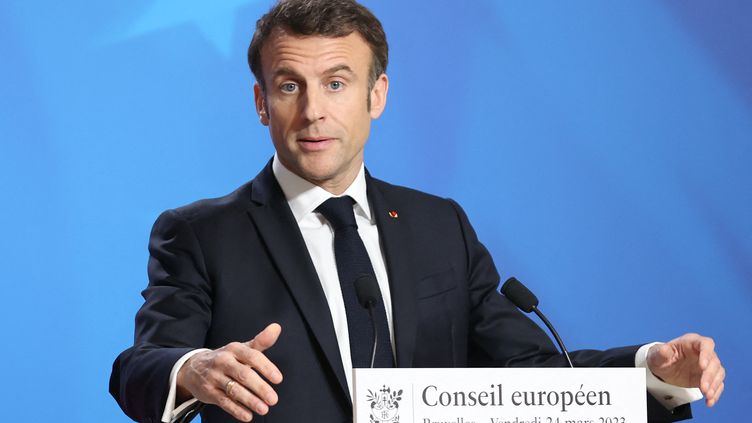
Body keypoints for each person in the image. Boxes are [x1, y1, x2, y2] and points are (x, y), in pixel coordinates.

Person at [109, 1, 725, 422]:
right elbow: (140, 365)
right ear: (262, 102)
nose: (314, 111)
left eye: (337, 82)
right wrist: (194, 369)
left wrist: (652, 369)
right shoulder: (200, 233)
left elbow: (534, 371)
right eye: (290, 84)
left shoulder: (440, 225)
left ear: (377, 94)